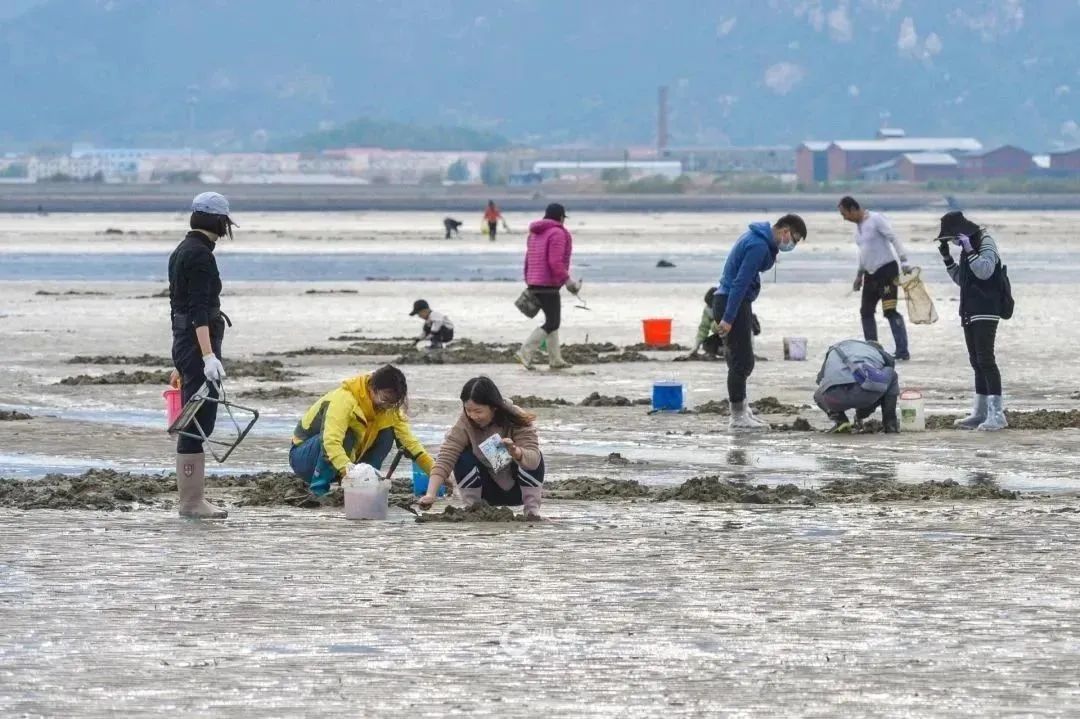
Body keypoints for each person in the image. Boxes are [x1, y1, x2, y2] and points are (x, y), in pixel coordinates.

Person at [167, 191, 237, 519]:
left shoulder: (182, 250)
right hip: (196, 345)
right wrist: (208, 356)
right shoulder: (199, 256)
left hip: (185, 343)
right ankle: (191, 502)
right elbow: (197, 310)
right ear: (218, 221)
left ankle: (192, 501)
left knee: (196, 420)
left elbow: (176, 308)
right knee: (197, 422)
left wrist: (179, 361)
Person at [713, 214, 807, 429]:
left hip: (730, 300)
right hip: (731, 302)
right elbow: (740, 282)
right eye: (794, 239)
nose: (792, 245)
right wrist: (728, 318)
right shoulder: (759, 246)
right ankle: (737, 416)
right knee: (743, 362)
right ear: (785, 231)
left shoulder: (757, 238)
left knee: (737, 360)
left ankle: (742, 408)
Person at [289, 364, 436, 495]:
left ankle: (367, 484)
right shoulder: (344, 399)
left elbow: (410, 444)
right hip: (304, 458)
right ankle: (319, 489)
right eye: (385, 399)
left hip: (347, 459)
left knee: (387, 433)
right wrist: (350, 473)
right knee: (347, 434)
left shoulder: (389, 409)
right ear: (372, 388)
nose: (387, 406)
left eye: (393, 403)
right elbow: (330, 442)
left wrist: (437, 473)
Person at [417, 376, 544, 518]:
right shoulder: (465, 423)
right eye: (468, 410)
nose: (473, 416)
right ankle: (473, 509)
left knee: (535, 455)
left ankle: (532, 511)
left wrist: (516, 452)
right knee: (462, 456)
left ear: (494, 407)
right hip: (486, 491)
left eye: (478, 411)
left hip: (518, 489)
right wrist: (430, 494)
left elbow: (533, 461)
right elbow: (445, 458)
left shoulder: (517, 418)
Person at [937, 211, 1008, 431]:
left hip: (986, 310)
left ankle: (997, 415)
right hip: (969, 310)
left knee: (986, 360)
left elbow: (985, 272)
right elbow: (964, 280)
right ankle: (980, 413)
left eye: (952, 238)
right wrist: (948, 259)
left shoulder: (985, 242)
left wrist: (969, 249)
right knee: (976, 361)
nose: (953, 242)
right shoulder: (966, 249)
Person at [839, 196, 912, 361]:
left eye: (844, 214)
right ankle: (872, 350)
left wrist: (904, 261)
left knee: (890, 310)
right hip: (870, 274)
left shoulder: (876, 219)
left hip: (887, 270)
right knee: (865, 311)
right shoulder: (857, 230)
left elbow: (894, 238)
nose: (844, 218)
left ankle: (902, 351)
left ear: (853, 209)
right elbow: (863, 253)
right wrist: (859, 275)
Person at [515, 202, 580, 370]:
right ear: (561, 217)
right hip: (548, 284)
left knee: (551, 319)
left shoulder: (534, 233)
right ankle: (525, 352)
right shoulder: (557, 233)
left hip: (534, 281)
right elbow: (555, 262)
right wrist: (567, 280)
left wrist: (528, 279)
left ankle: (555, 359)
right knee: (553, 322)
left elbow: (528, 259)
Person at [814, 339, 900, 433]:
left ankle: (840, 420)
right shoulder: (877, 351)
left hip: (833, 398)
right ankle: (890, 424)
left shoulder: (834, 349)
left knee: (818, 394)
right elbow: (890, 364)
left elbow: (819, 380)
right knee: (891, 375)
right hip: (864, 395)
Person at [691, 287, 725, 359]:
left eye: (711, 305)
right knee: (707, 343)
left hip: (731, 336)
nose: (709, 307)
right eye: (708, 305)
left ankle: (727, 351)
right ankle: (714, 353)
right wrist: (696, 346)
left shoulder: (727, 307)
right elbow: (703, 328)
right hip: (719, 336)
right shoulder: (707, 310)